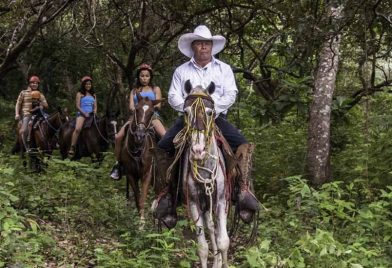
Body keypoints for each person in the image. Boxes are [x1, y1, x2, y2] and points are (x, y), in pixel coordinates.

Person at [153, 25, 259, 225]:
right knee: (162, 146)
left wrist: (211, 109)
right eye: (200, 43)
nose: (204, 47)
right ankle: (167, 194)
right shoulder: (181, 71)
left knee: (242, 144)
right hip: (188, 119)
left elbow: (231, 94)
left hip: (216, 117)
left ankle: (242, 190)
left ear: (212, 47)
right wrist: (190, 108)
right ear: (193, 47)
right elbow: (173, 95)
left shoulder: (224, 69)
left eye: (207, 43)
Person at [110, 63, 166, 180]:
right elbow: (131, 106)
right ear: (138, 77)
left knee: (165, 136)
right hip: (136, 117)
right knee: (118, 136)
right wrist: (139, 109)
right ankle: (118, 164)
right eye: (142, 76)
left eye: (146, 76)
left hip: (152, 116)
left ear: (150, 77)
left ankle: (166, 163)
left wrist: (148, 107)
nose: (144, 78)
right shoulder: (134, 91)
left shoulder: (155, 89)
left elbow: (159, 105)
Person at [15, 75, 48, 150]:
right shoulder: (23, 93)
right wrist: (17, 113)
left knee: (51, 122)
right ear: (29, 83)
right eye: (33, 83)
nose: (35, 84)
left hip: (39, 113)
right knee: (24, 130)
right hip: (27, 114)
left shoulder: (40, 94)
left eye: (36, 83)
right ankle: (27, 148)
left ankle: (54, 142)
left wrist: (40, 103)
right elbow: (18, 104)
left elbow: (46, 105)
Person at [68, 76, 97, 156]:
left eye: (89, 84)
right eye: (86, 84)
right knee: (77, 129)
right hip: (82, 114)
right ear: (83, 85)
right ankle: (72, 147)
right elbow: (77, 106)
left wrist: (95, 111)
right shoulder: (79, 94)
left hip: (91, 114)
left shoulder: (93, 94)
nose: (88, 85)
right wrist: (84, 113)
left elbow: (95, 106)